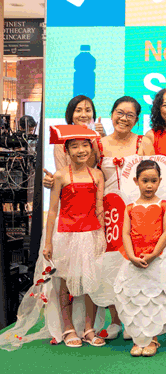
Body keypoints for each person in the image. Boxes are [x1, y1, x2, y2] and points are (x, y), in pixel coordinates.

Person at [41, 96, 156, 340]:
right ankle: (113, 320)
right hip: (103, 216)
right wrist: (52, 181)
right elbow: (76, 174)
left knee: (137, 263)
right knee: (108, 267)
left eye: (130, 115)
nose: (123, 118)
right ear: (112, 114)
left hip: (135, 212)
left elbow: (154, 174)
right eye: (119, 113)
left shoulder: (142, 142)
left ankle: (136, 320)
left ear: (137, 119)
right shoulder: (98, 144)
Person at [44, 126, 106, 348]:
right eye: (75, 146)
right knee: (64, 282)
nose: (81, 150)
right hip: (66, 235)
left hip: (91, 233)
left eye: (85, 145)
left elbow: (100, 207)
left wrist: (103, 236)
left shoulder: (97, 174)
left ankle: (89, 328)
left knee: (92, 281)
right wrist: (48, 242)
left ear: (91, 148)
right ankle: (68, 328)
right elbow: (53, 210)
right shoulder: (60, 175)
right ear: (67, 151)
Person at [116, 160, 166, 357]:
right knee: (136, 299)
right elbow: (125, 234)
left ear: (159, 181)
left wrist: (154, 254)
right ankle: (138, 339)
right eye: (145, 181)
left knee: (154, 299)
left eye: (153, 181)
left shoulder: (164, 205)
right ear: (136, 181)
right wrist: (131, 256)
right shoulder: (130, 207)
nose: (149, 185)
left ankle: (152, 339)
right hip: (134, 261)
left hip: (156, 261)